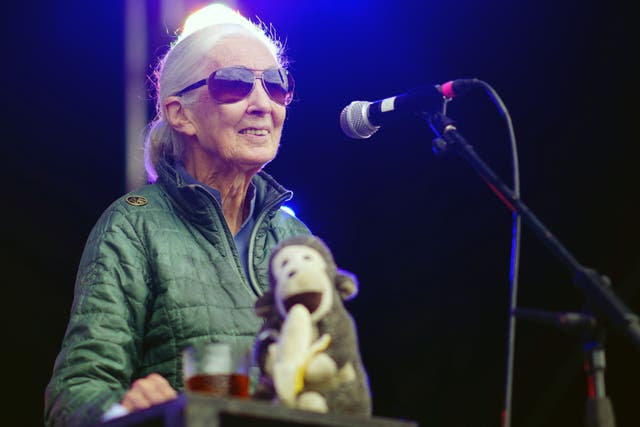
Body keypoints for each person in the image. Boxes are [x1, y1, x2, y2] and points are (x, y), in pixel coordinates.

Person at [44, 5, 312, 426]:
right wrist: (128, 408)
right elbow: (74, 395)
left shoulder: (297, 239)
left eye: (277, 85)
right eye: (234, 84)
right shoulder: (133, 226)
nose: (263, 104)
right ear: (179, 113)